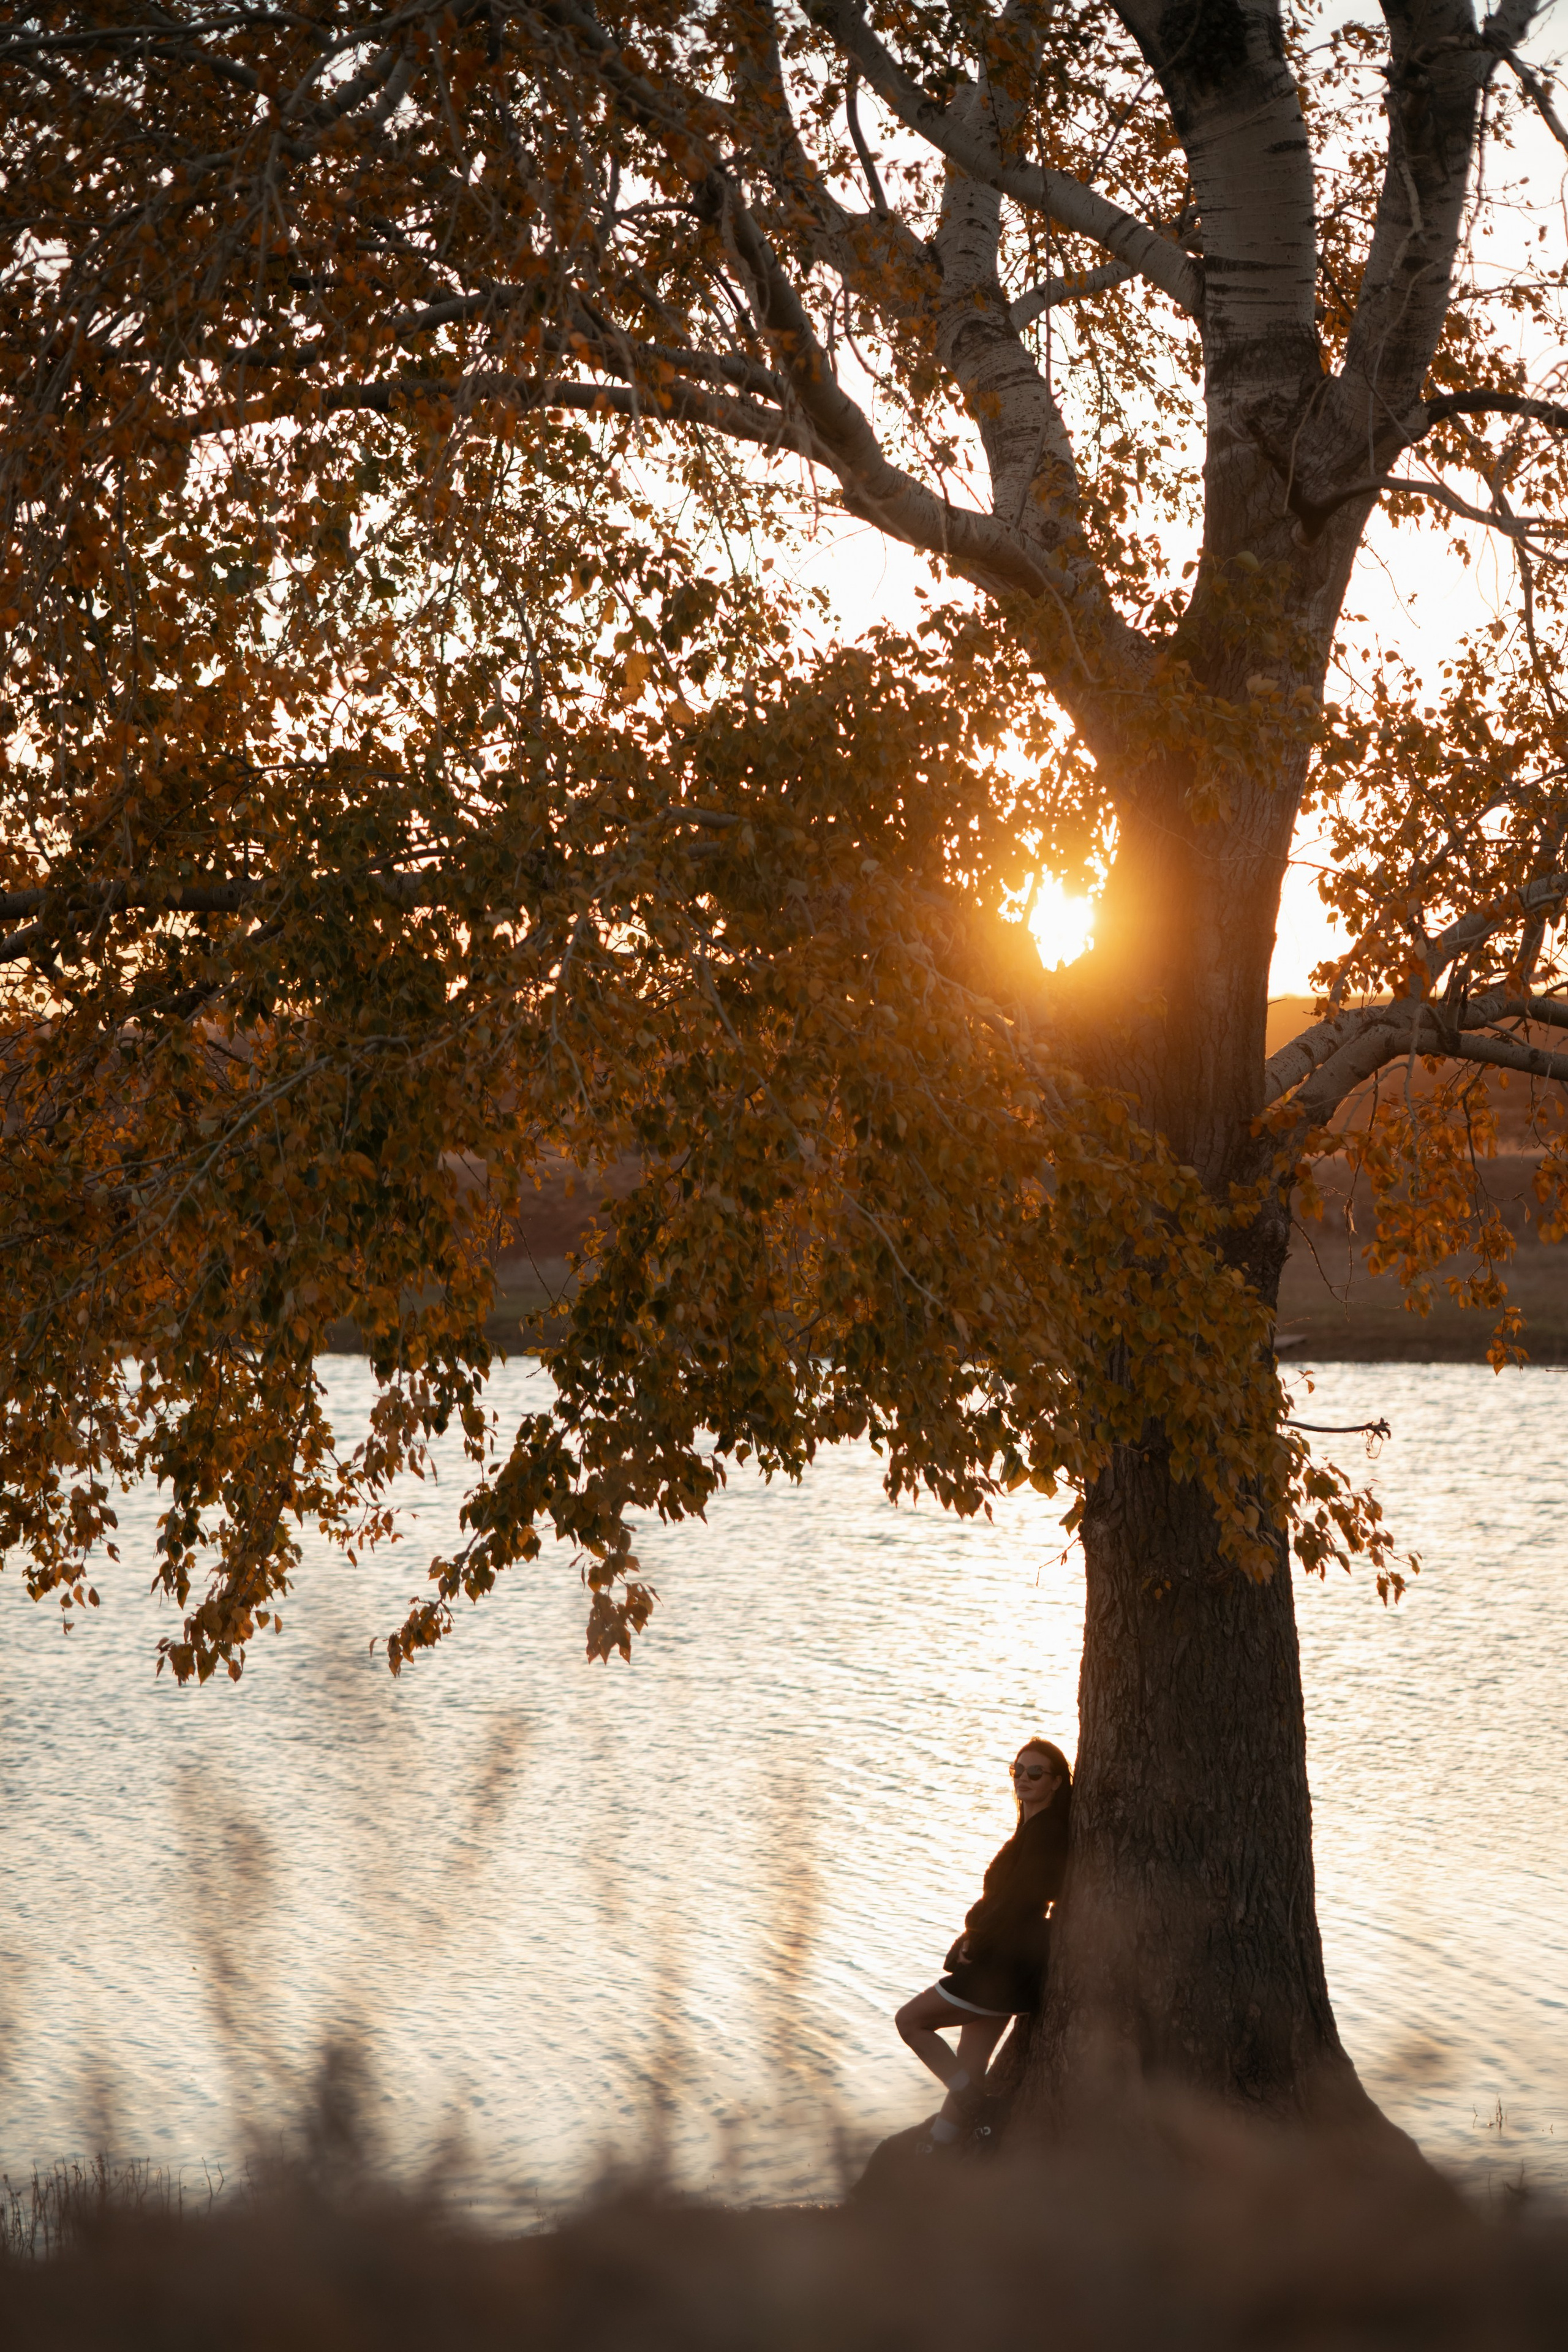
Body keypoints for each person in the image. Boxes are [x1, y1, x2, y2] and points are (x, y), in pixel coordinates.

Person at [894, 1737, 1072, 2146]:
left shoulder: (1046, 1832)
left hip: (1006, 1962)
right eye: (1018, 1770)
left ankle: (979, 2106)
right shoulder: (1030, 1828)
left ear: (1057, 1783)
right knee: (970, 2062)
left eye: (1036, 1773)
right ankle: (942, 2149)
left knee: (911, 2021)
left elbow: (1023, 1898)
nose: (1024, 1779)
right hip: (1011, 1958)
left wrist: (977, 1934)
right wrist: (974, 1933)